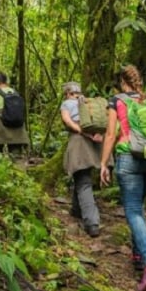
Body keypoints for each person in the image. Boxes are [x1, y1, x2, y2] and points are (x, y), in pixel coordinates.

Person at [99, 64, 146, 291]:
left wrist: (103, 163)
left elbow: (110, 134)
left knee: (133, 211)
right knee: (139, 207)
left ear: (122, 82)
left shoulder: (117, 101)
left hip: (129, 157)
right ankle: (139, 255)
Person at [59, 82, 103, 237]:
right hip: (96, 144)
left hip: (79, 142)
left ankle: (92, 223)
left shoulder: (67, 103)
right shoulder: (88, 103)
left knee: (83, 181)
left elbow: (67, 120)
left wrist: (79, 130)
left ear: (68, 93)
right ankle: (76, 210)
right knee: (82, 176)